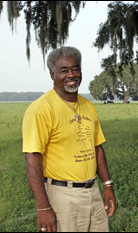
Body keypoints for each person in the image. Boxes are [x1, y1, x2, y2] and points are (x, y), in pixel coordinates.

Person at [22, 46, 116, 232]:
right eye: (64, 70)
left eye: (75, 68)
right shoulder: (41, 109)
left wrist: (107, 185)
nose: (71, 74)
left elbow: (97, 148)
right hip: (62, 196)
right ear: (52, 74)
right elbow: (32, 159)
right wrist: (43, 207)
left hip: (93, 191)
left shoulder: (88, 106)